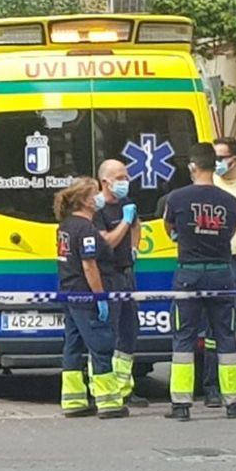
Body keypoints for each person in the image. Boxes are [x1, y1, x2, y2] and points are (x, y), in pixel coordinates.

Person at [163, 142, 236, 420]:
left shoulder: (176, 199)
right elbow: (232, 230)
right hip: (222, 271)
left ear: (192, 166)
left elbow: (169, 228)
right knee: (226, 336)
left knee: (184, 337)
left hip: (188, 272)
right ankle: (234, 402)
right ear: (215, 166)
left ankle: (181, 404)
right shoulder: (229, 201)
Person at [55, 177, 128, 419]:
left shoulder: (65, 226)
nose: (99, 196)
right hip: (87, 295)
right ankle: (109, 402)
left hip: (69, 292)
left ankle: (73, 400)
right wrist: (100, 297)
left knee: (73, 346)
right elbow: (89, 266)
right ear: (86, 201)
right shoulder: (86, 229)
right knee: (101, 345)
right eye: (95, 193)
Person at [93, 160, 149, 407]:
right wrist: (125, 223)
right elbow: (106, 243)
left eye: (126, 176)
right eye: (119, 177)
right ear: (105, 182)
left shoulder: (127, 205)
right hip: (108, 276)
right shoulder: (96, 209)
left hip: (127, 274)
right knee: (109, 335)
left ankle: (125, 388)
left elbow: (137, 226)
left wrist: (135, 246)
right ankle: (105, 390)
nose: (125, 181)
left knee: (129, 332)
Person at [201, 137, 236, 400]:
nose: (218, 163)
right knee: (215, 330)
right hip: (218, 262)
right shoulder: (210, 186)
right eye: (214, 159)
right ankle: (212, 389)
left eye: (221, 158)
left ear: (234, 158)